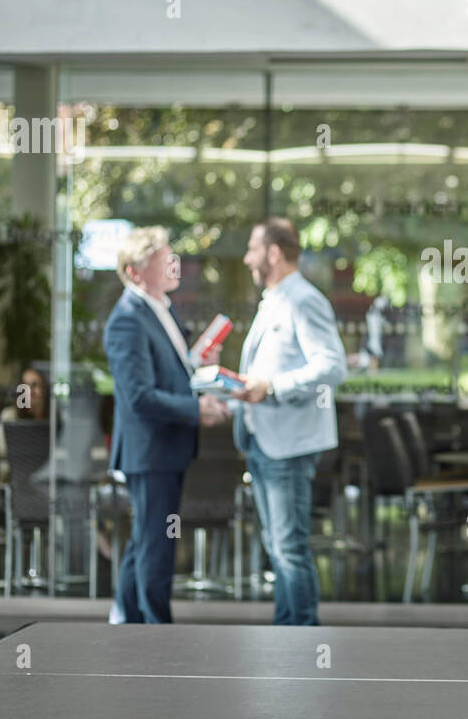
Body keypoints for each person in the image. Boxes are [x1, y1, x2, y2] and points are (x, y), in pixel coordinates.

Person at [103, 226, 228, 624]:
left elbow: (170, 372)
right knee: (156, 547)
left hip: (164, 447)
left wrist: (200, 363)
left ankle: (126, 621)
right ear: (135, 271)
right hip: (150, 449)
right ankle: (158, 635)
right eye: (163, 260)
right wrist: (198, 409)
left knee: (146, 542)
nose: (175, 264)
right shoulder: (127, 320)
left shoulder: (160, 308)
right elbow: (138, 396)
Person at [230, 218, 348, 626]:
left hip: (289, 445)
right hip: (262, 439)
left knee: (289, 547)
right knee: (277, 546)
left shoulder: (303, 299)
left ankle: (300, 636)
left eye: (252, 248)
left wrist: (273, 386)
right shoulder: (274, 299)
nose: (247, 258)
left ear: (273, 253)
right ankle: (286, 636)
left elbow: (332, 367)